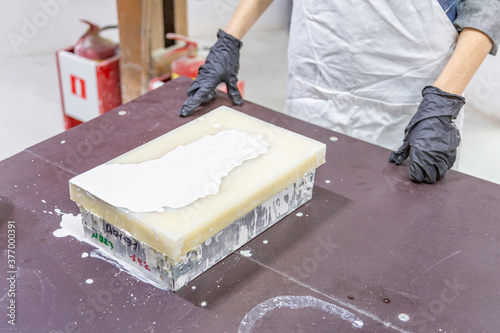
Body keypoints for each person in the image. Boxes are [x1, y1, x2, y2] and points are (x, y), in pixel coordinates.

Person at [179, 0, 500, 184]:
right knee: (308, 223)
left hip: (409, 103)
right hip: (316, 85)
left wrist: (442, 100)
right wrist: (230, 39)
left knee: (400, 244)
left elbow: (484, 8)